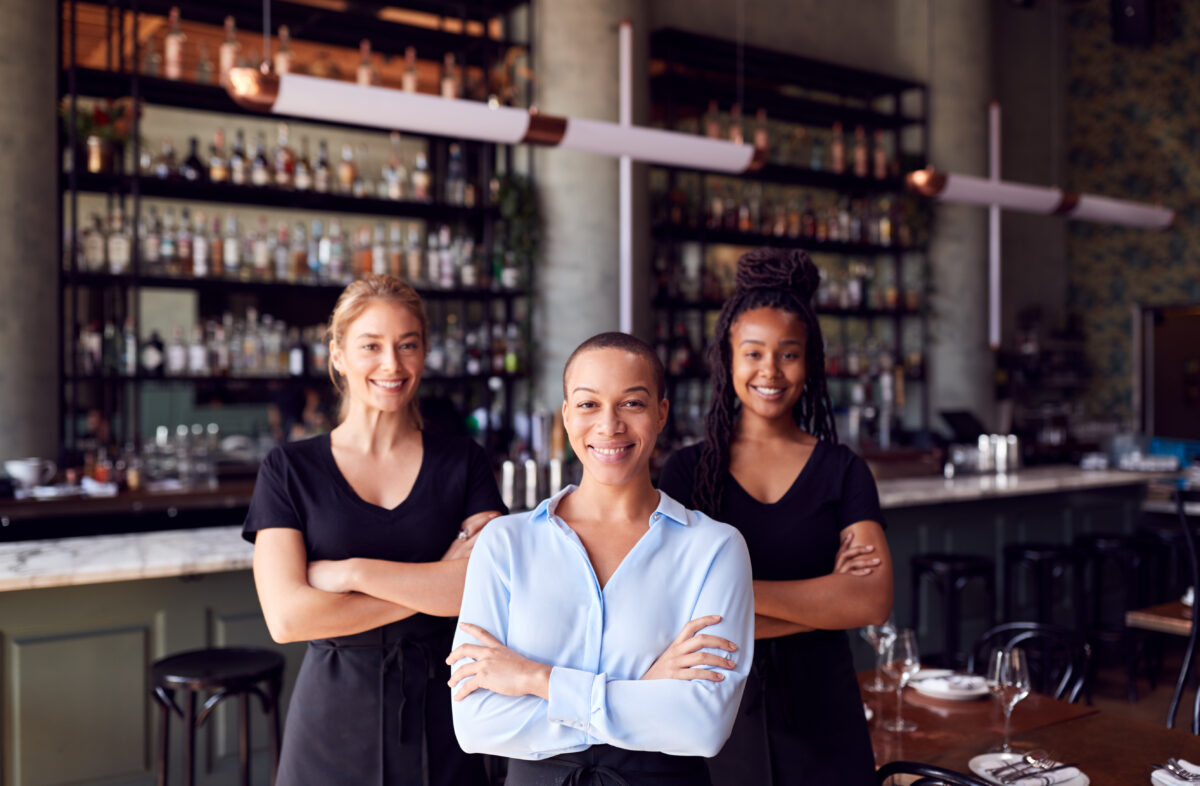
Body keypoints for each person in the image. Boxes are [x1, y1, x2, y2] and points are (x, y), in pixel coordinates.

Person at [447, 332, 755, 786]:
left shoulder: (715, 549)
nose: (609, 426)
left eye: (632, 403)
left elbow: (702, 727)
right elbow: (477, 725)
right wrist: (643, 692)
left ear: (661, 414)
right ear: (567, 414)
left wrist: (535, 679)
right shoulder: (505, 543)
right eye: (589, 404)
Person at [243, 274, 505, 786]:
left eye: (408, 345)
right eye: (371, 346)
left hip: (442, 717)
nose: (392, 364)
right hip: (330, 723)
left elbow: (487, 584)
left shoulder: (463, 462)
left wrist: (351, 573)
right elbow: (288, 619)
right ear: (338, 354)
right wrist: (437, 584)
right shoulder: (289, 469)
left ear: (424, 353)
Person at [658, 248, 894, 786]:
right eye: (754, 352)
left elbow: (872, 600)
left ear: (809, 363)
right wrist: (827, 599)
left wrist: (724, 596)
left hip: (825, 715)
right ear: (727, 357)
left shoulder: (842, 469)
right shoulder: (687, 470)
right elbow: (668, 605)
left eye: (788, 354)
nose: (770, 370)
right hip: (713, 720)